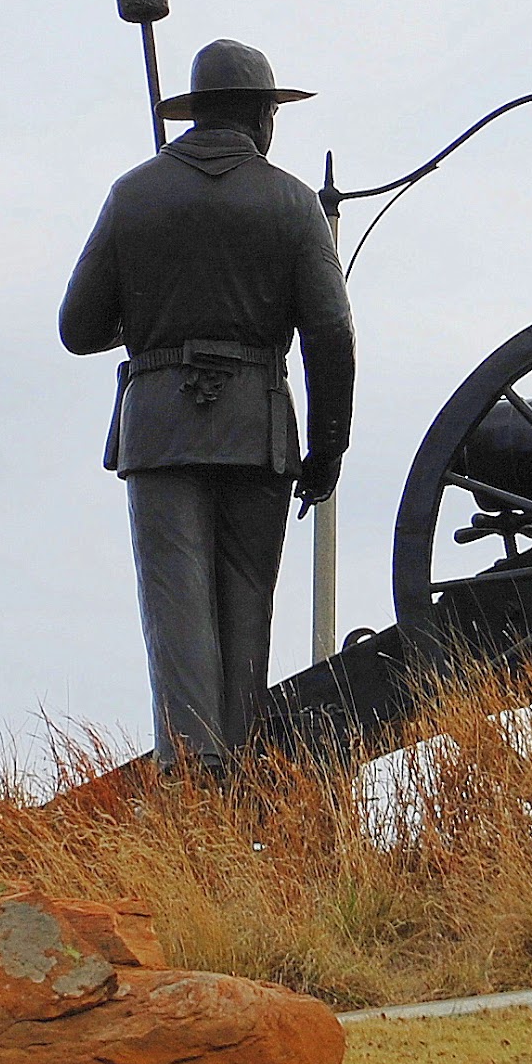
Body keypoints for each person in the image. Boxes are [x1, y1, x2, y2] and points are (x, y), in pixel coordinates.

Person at [60, 38, 355, 773]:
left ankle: (192, 779)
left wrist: (152, 315)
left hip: (158, 423)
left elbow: (78, 328)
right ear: (261, 115)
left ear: (198, 113)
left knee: (177, 608)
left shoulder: (135, 194)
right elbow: (332, 334)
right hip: (257, 426)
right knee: (246, 607)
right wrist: (328, 447)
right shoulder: (290, 201)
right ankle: (238, 767)